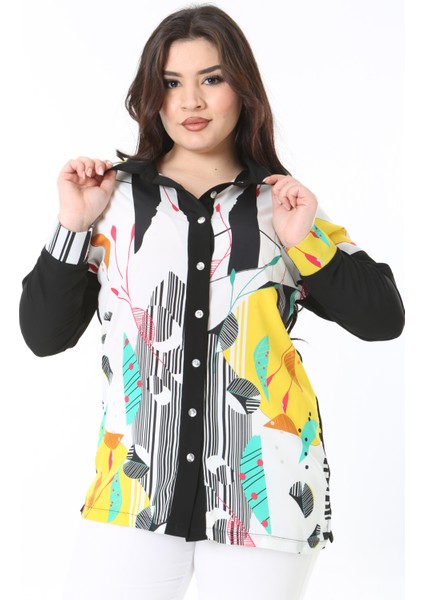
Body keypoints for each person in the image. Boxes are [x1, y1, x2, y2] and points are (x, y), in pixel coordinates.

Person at [19, 4, 405, 600]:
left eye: (212, 79)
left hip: (265, 497)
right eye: (172, 83)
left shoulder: (283, 206)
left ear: (242, 88)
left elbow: (383, 318)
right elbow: (43, 335)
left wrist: (305, 244)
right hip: (133, 491)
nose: (191, 102)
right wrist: (73, 224)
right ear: (151, 96)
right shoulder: (110, 201)